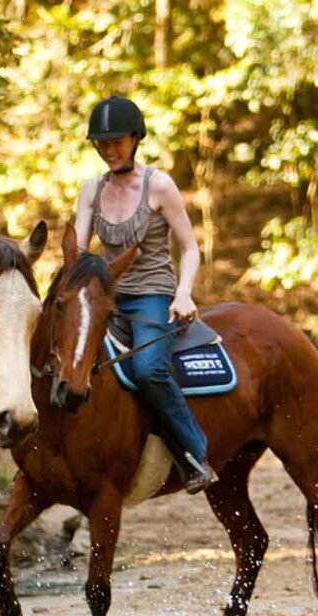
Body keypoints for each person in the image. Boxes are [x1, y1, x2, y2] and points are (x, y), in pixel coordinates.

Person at [74, 95, 217, 494]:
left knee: (148, 368)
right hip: (107, 299)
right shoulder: (90, 190)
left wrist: (183, 294)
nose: (109, 150)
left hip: (153, 296)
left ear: (136, 139)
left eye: (116, 141)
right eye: (102, 143)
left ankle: (195, 454)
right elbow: (81, 255)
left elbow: (190, 248)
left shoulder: (159, 185)